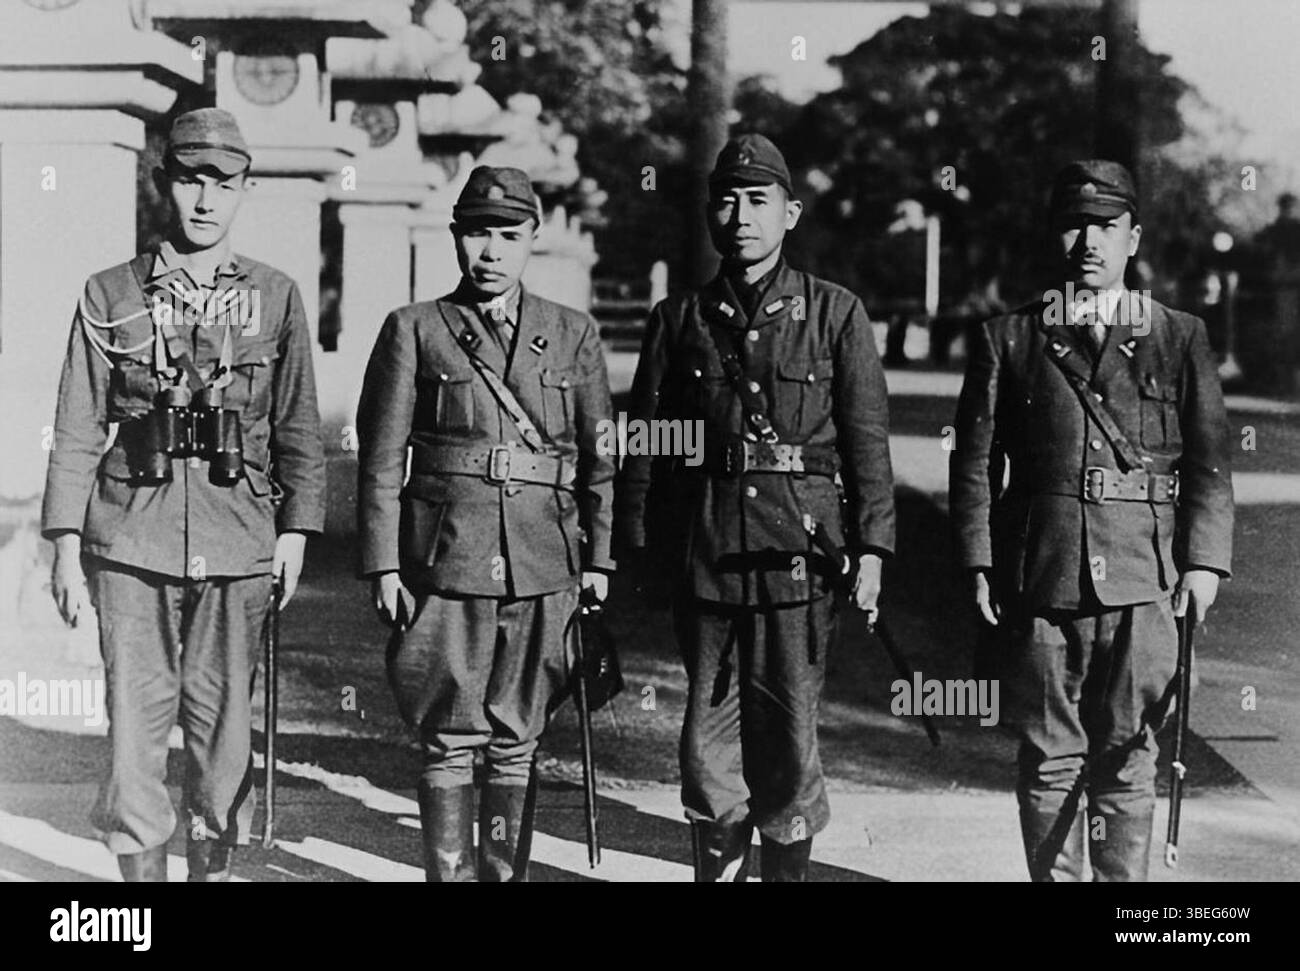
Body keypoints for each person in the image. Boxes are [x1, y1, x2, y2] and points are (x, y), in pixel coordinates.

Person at [42, 107, 326, 882]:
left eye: (222, 184)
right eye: (190, 181)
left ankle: (213, 862)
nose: (204, 200)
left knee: (223, 726)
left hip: (239, 539)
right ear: (164, 184)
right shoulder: (110, 294)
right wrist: (65, 547)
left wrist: (295, 532)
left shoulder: (276, 296)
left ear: (245, 189)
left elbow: (296, 420)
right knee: (134, 725)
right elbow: (75, 424)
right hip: (132, 537)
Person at [615, 134, 895, 882]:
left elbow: (867, 443)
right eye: (727, 200)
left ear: (790, 213)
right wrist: (633, 545)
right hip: (704, 553)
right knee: (706, 747)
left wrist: (872, 549)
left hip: (797, 558)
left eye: (758, 200)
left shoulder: (835, 315)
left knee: (788, 739)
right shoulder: (679, 320)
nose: (740, 215)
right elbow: (648, 440)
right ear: (711, 212)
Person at [949, 159, 1234, 881]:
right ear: (1055, 235)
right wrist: (979, 559)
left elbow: (1207, 464)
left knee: (1130, 750)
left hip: (1146, 580)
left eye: (1106, 226)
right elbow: (976, 462)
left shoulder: (1178, 336)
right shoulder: (1008, 338)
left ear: (1132, 237)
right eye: (1075, 224)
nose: (1089, 242)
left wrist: (1202, 563)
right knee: (1049, 754)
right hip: (1044, 575)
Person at [355, 165, 615, 881]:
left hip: (544, 558)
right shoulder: (414, 328)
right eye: (477, 234)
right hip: (446, 561)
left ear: (533, 237)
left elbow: (599, 457)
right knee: (446, 735)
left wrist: (600, 560)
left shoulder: (572, 333)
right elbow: (381, 456)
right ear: (456, 238)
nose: (491, 251)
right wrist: (382, 563)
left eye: (507, 234)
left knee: (517, 735)